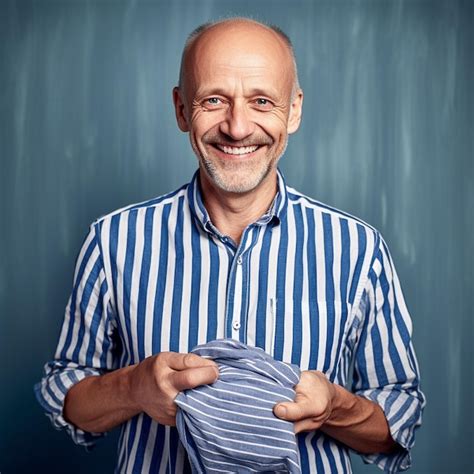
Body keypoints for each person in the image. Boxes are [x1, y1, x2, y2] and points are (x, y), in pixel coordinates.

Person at [35, 17, 425, 473]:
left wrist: (336, 408)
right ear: (182, 109)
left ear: (294, 111)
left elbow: (400, 417)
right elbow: (64, 391)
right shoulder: (113, 241)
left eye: (262, 101)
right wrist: (132, 388)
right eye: (214, 100)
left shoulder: (359, 249)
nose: (238, 128)